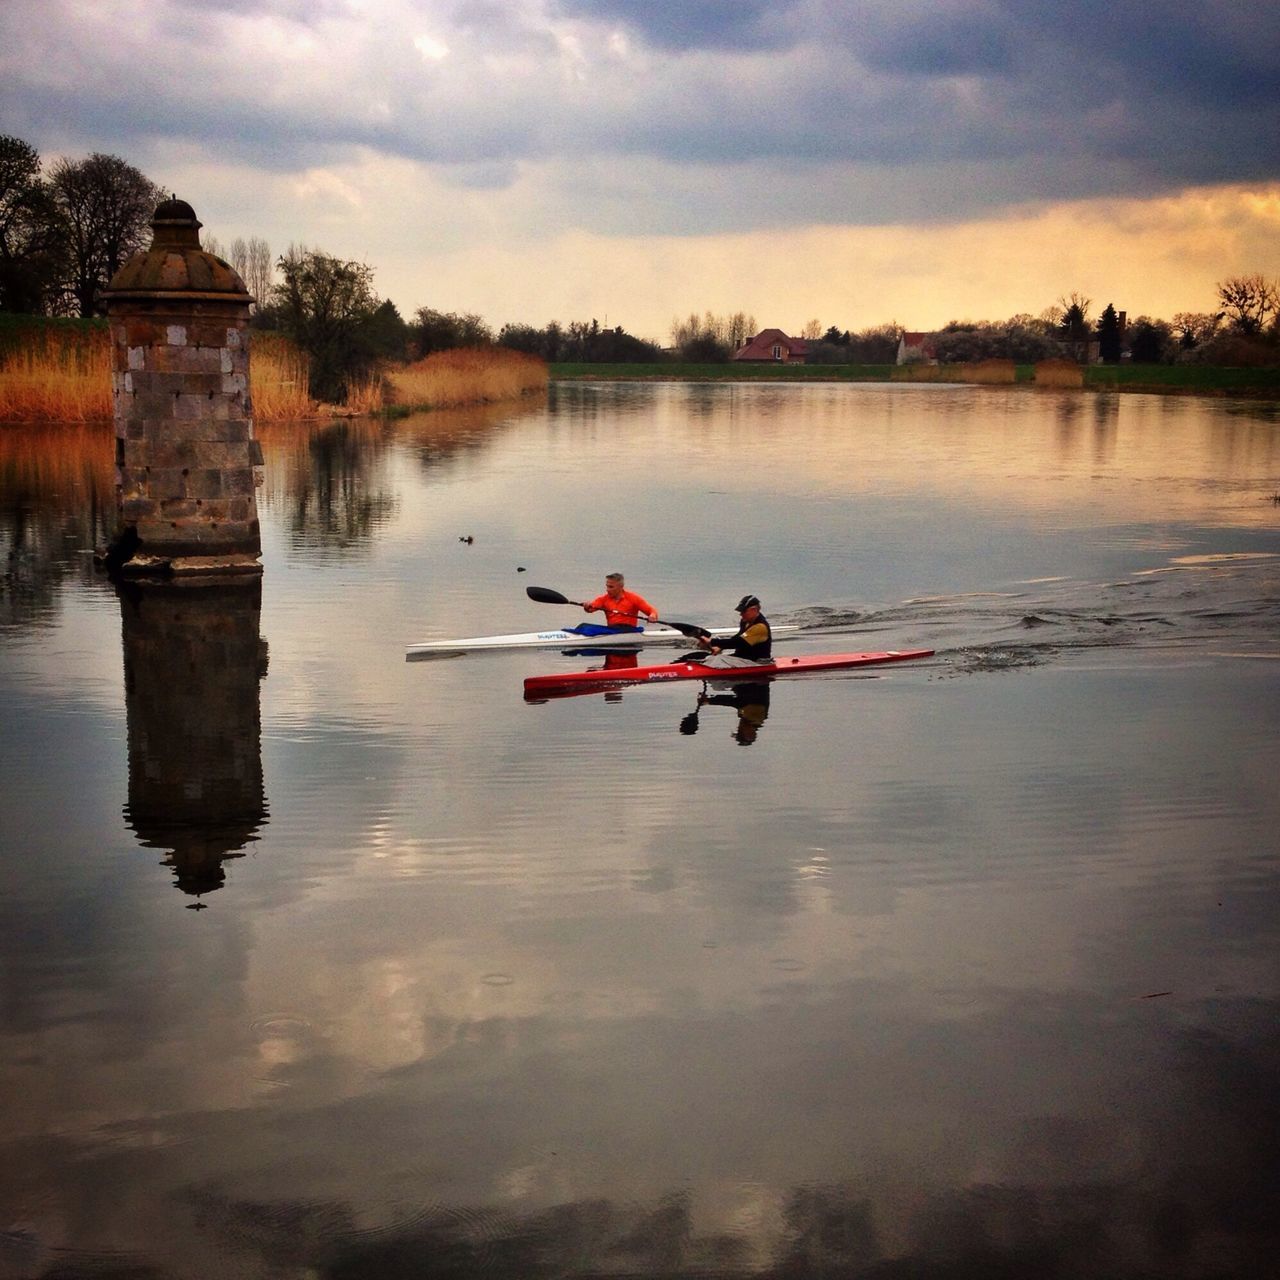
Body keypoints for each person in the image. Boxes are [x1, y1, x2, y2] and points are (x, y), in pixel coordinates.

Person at [696, 595, 772, 668]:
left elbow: (738, 642)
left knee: (717, 660)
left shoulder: (760, 627)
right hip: (743, 658)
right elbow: (739, 637)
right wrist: (720, 647)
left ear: (754, 609)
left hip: (757, 662)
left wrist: (711, 641)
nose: (741, 614)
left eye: (743, 611)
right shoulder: (745, 621)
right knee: (710, 658)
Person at [580, 572, 658, 630]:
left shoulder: (633, 598)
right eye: (607, 586)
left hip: (629, 631)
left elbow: (651, 611)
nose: (607, 590)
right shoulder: (604, 599)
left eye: (611, 587)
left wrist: (652, 616)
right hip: (612, 630)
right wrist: (587, 606)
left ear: (621, 587)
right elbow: (591, 608)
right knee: (583, 626)